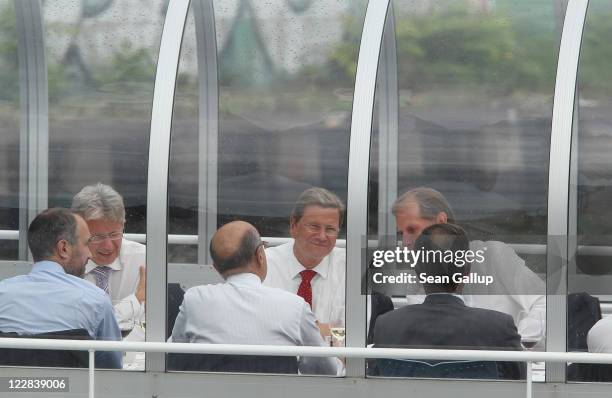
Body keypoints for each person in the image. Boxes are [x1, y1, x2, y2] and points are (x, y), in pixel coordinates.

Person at [170, 221, 340, 375]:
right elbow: (324, 370)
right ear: (260, 255)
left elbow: (174, 357)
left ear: (216, 268)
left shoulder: (194, 299)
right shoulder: (295, 307)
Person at [393, 187, 546, 342]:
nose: (405, 242)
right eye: (401, 234)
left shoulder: (493, 255)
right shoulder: (418, 279)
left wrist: (515, 342)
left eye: (412, 229)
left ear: (441, 222)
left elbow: (546, 302)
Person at [372, 223, 524, 379]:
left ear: (418, 273)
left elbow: (374, 383)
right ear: (467, 270)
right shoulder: (499, 327)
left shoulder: (386, 325)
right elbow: (521, 384)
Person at [0, 208, 122, 368]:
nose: (90, 254)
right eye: (86, 244)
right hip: (74, 392)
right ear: (63, 248)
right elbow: (112, 371)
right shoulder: (96, 300)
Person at [263, 187, 346, 335]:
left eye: (330, 229)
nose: (322, 236)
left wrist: (291, 328)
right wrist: (325, 331)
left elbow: (355, 337)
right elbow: (259, 327)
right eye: (314, 226)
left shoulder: (352, 269)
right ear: (293, 226)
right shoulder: (264, 264)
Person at [71, 183, 146, 334]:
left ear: (123, 226)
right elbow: (86, 328)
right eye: (97, 237)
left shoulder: (144, 259)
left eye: (114, 234)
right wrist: (135, 300)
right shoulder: (65, 264)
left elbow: (147, 327)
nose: (108, 246)